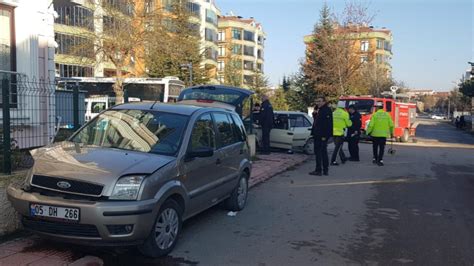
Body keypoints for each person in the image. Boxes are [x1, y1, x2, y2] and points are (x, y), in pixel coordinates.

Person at [309, 96, 333, 176]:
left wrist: (325, 136)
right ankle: (320, 170)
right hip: (317, 134)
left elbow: (328, 124)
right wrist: (314, 113)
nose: (318, 103)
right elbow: (316, 121)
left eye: (319, 101)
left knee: (322, 153)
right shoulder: (319, 110)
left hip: (322, 135)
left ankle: (322, 170)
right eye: (317, 101)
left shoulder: (326, 110)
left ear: (324, 102)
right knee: (318, 153)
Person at [367, 102, 394, 166]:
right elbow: (391, 125)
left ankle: (375, 159)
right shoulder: (387, 115)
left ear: (378, 107)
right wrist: (391, 133)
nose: (375, 108)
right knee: (382, 148)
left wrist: (368, 132)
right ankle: (380, 160)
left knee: (375, 147)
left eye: (375, 107)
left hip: (375, 134)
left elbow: (371, 125)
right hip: (383, 135)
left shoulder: (375, 115)